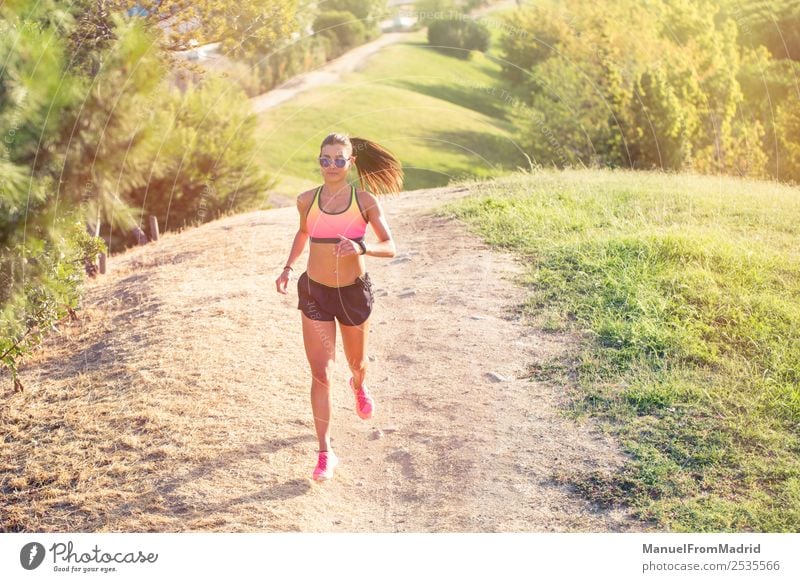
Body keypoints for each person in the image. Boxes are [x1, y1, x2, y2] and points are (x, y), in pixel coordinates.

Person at [275, 132, 403, 481]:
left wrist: (362, 248)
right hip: (315, 293)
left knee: (356, 363)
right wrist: (288, 268)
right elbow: (303, 234)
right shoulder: (306, 200)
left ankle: (359, 385)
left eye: (339, 160)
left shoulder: (364, 201)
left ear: (351, 163)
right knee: (320, 372)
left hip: (352, 293)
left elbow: (390, 246)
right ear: (319, 161)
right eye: (325, 159)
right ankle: (325, 452)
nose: (331, 166)